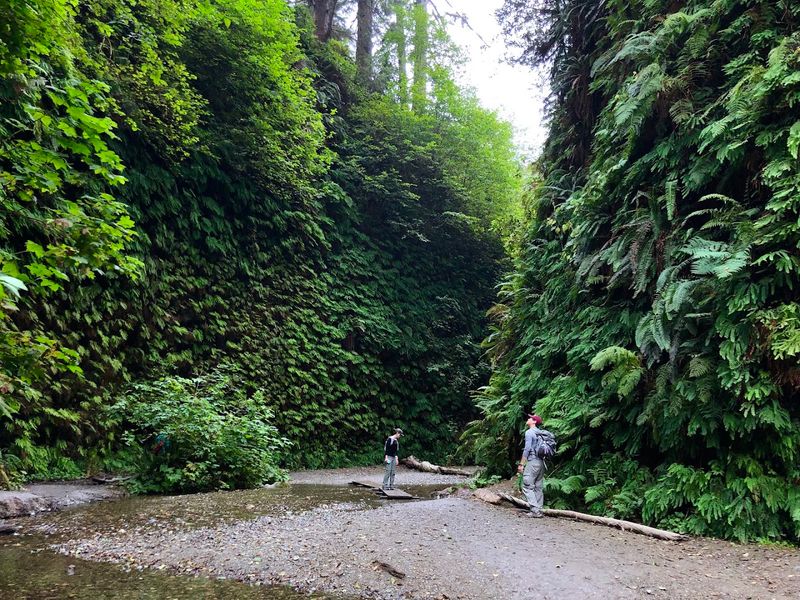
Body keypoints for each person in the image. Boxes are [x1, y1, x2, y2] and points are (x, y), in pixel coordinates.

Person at [517, 414, 551, 518]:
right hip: (541, 463)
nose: (528, 419)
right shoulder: (540, 433)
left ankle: (535, 511)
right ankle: (539, 510)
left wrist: (521, 464)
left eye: (530, 418)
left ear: (534, 421)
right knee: (538, 487)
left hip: (532, 462)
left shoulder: (529, 432)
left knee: (527, 486)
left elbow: (527, 449)